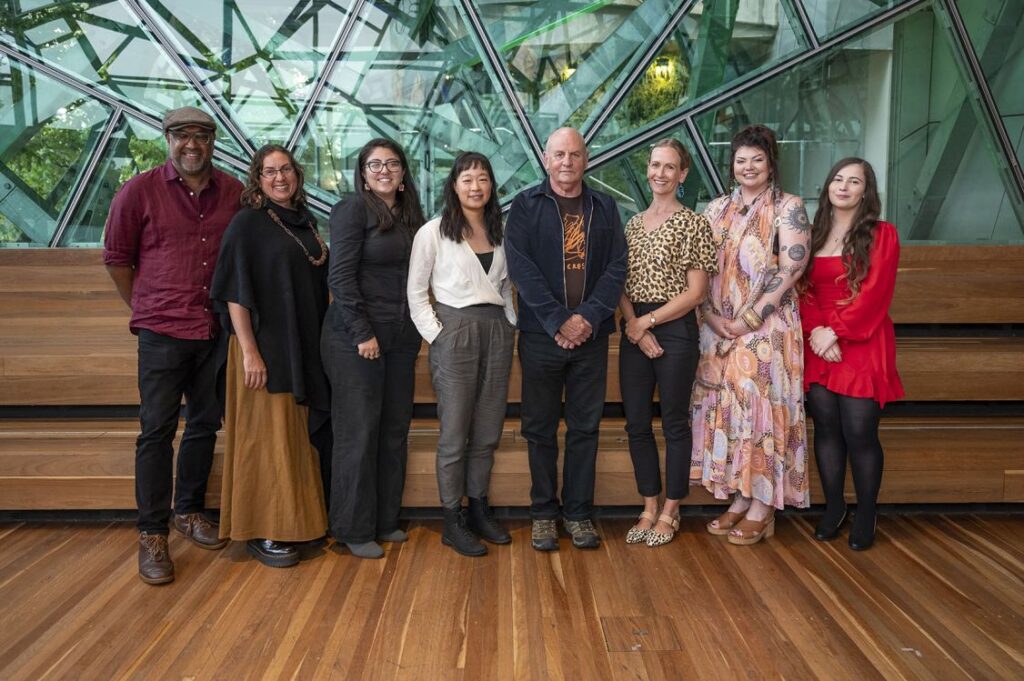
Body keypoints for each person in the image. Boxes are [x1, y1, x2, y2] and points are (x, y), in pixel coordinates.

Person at [103, 106, 243, 584]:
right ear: (167, 140)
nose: (192, 144)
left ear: (213, 140)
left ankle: (188, 511)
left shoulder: (234, 193)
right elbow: (118, 259)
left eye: (201, 136)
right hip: (162, 332)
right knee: (156, 431)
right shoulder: (138, 191)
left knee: (205, 424)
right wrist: (146, 305)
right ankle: (152, 533)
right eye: (181, 136)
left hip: (215, 330)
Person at [506, 127, 627, 551]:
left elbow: (616, 268)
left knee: (584, 429)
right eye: (559, 154)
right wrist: (559, 320)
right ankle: (543, 514)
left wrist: (587, 319)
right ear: (545, 158)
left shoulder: (605, 207)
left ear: (586, 159)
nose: (566, 162)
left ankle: (577, 514)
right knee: (538, 429)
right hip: (541, 338)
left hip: (591, 339)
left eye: (574, 155)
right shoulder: (524, 206)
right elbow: (522, 270)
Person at [210, 145, 330, 567]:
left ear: (296, 174)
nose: (279, 177)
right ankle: (263, 531)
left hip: (298, 348)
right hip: (262, 351)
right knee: (267, 444)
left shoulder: (304, 221)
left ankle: (295, 523)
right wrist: (249, 353)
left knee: (292, 442)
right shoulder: (248, 223)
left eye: (285, 170)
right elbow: (234, 293)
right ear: (257, 180)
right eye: (269, 171)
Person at [691, 124, 810, 545]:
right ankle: (740, 498)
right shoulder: (715, 209)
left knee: (759, 409)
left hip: (766, 327)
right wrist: (708, 314)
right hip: (717, 328)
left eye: (757, 159)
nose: (748, 167)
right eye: (741, 160)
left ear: (771, 163)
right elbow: (701, 267)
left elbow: (791, 269)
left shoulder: (788, 207)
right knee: (728, 410)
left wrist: (748, 320)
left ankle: (763, 506)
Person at [407, 151, 516, 557]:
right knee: (454, 434)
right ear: (454, 185)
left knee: (487, 432)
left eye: (483, 178)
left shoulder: (500, 231)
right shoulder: (433, 232)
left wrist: (509, 323)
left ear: (491, 186)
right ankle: (452, 518)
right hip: (454, 331)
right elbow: (416, 294)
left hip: (496, 333)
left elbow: (504, 287)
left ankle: (479, 508)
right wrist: (437, 335)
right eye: (467, 178)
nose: (476, 186)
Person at [321, 138, 425, 559]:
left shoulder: (411, 216)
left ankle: (385, 518)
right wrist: (363, 333)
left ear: (403, 173)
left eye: (392, 164)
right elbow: (340, 278)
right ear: (363, 173)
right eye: (374, 164)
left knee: (394, 429)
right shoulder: (352, 209)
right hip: (355, 338)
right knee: (358, 432)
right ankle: (352, 527)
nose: (384, 170)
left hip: (401, 337)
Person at [800, 158, 903, 551]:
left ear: (866, 190)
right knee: (825, 427)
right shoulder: (813, 234)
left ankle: (866, 511)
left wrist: (835, 331)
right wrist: (817, 333)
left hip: (861, 340)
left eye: (854, 181)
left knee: (859, 430)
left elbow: (876, 292)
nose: (843, 186)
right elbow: (801, 289)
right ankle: (834, 508)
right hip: (819, 344)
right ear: (828, 186)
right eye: (838, 179)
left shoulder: (882, 234)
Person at [618, 139, 716, 547]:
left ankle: (672, 510)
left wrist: (649, 322)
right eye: (655, 165)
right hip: (633, 329)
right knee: (637, 423)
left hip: (675, 329)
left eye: (669, 167)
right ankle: (648, 504)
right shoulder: (632, 224)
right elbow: (618, 282)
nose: (660, 173)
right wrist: (634, 326)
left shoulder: (694, 223)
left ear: (683, 174)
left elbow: (696, 293)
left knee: (674, 423)